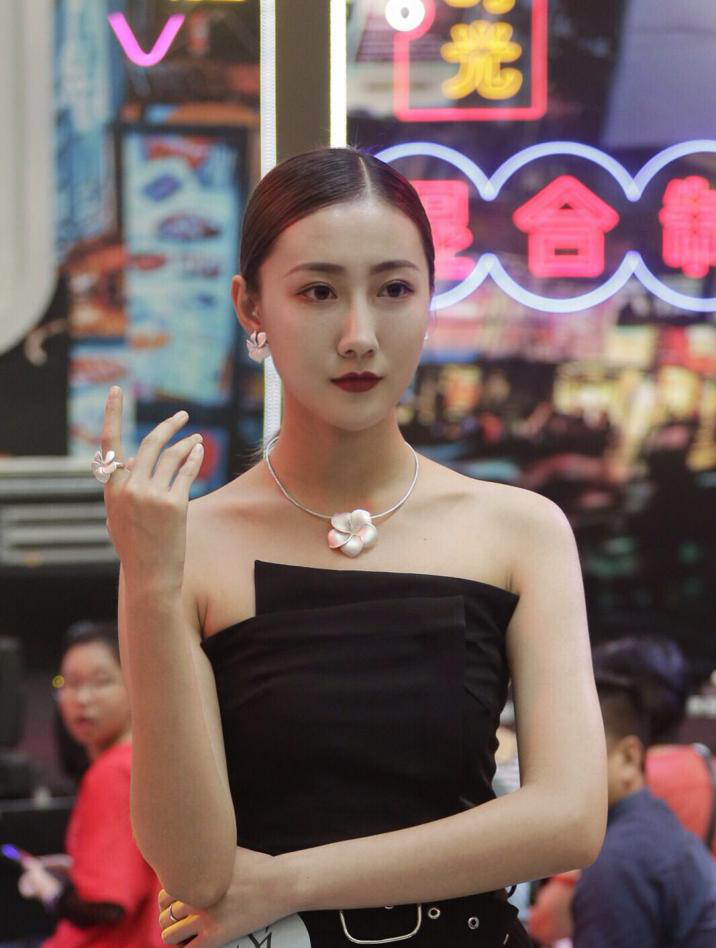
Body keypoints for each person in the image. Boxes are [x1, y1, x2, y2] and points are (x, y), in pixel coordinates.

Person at [98, 146, 607, 947]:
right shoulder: (185, 545)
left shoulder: (521, 530)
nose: (360, 335)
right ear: (250, 306)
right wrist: (150, 585)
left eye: (394, 289)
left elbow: (570, 819)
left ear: (431, 298)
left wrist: (287, 882)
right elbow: (193, 871)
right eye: (319, 292)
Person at [529, 636, 716, 946]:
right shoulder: (653, 816)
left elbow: (547, 922)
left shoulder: (618, 859)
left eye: (575, 753)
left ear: (630, 757)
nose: (558, 770)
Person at [14, 621, 164, 947]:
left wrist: (50, 891)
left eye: (101, 682)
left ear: (135, 684)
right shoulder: (145, 761)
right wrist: (78, 869)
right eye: (70, 683)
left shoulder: (112, 773)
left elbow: (107, 906)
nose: (82, 698)